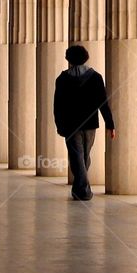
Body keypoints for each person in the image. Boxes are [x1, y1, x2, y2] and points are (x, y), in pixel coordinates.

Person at [53, 45, 115, 201]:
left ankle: (79, 189)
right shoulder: (95, 77)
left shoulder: (62, 79)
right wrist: (110, 124)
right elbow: (103, 103)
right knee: (83, 157)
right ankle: (83, 191)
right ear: (86, 57)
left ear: (68, 59)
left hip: (71, 124)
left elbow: (58, 105)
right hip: (90, 124)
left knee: (78, 157)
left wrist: (59, 125)